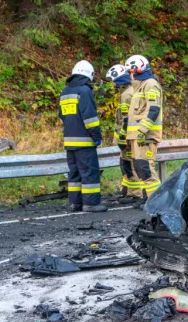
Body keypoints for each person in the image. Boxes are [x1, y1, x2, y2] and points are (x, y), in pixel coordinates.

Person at [59, 60, 107, 213]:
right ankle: (91, 204)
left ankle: (75, 203)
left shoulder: (65, 91)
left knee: (74, 173)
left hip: (69, 141)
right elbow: (90, 119)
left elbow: (61, 116)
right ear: (89, 76)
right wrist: (96, 136)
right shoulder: (85, 91)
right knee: (89, 172)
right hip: (85, 142)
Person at [124, 54, 164, 198]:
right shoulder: (139, 88)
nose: (129, 75)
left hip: (146, 136)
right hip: (137, 136)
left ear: (137, 70)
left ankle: (157, 200)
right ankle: (146, 197)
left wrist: (142, 131)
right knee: (140, 167)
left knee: (146, 167)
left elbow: (153, 109)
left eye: (130, 71)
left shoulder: (150, 84)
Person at [105, 63, 140, 201]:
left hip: (126, 137)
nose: (113, 84)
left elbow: (126, 119)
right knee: (125, 163)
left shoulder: (127, 94)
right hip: (127, 136)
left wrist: (122, 138)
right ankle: (126, 190)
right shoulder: (128, 91)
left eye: (114, 81)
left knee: (129, 164)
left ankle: (135, 193)